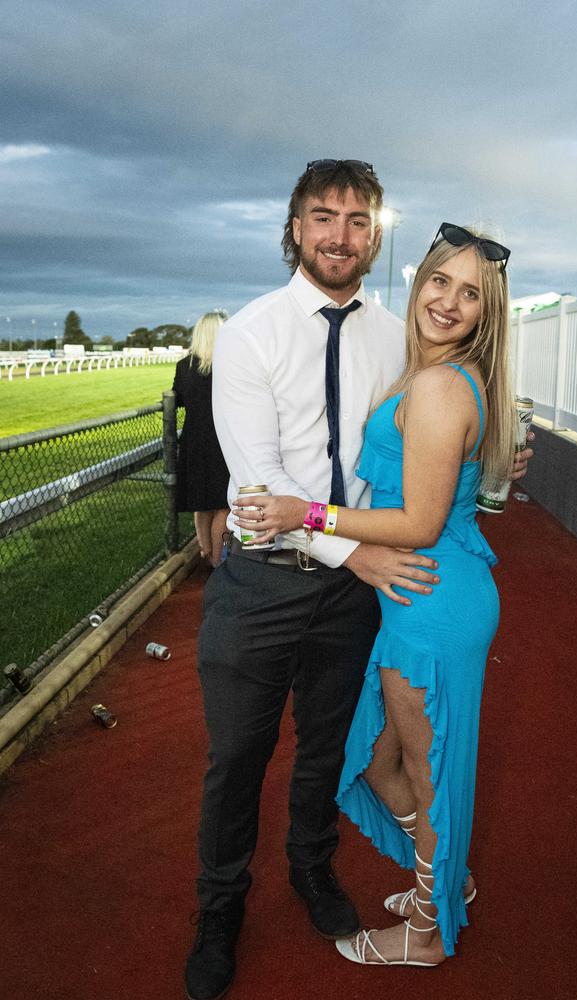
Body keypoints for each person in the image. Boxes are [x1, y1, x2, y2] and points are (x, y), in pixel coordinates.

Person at [185, 162, 531, 1000]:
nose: (341, 235)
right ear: (296, 228)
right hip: (273, 581)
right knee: (237, 757)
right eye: (323, 217)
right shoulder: (252, 333)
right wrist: (360, 552)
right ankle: (220, 912)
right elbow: (259, 488)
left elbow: (428, 456)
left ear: (378, 236)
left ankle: (315, 873)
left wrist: (494, 466)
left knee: (329, 753)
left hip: (365, 591)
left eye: (358, 220)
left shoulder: (397, 339)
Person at [172, 311, 230, 567]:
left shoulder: (184, 366)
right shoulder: (231, 363)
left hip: (193, 441)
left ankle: (204, 551)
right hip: (224, 440)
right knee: (222, 505)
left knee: (201, 501)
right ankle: (218, 561)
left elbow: (178, 398)